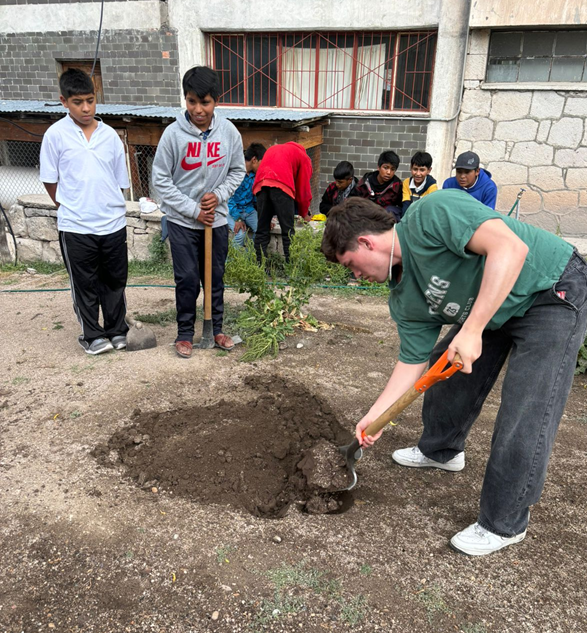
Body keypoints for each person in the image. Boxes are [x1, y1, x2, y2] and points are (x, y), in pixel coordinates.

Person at [321, 191, 587, 557]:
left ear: (366, 242)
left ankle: (504, 523)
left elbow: (510, 250)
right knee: (443, 363)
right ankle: (441, 450)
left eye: (350, 263)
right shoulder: (403, 297)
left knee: (527, 407)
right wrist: (377, 415)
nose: (354, 274)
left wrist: (473, 328)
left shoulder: (433, 213)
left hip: (549, 288)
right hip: (493, 303)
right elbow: (411, 364)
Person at [152, 66, 245, 358]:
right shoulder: (172, 135)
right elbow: (161, 180)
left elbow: (237, 170)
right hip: (182, 222)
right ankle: (184, 334)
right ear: (185, 100)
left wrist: (217, 196)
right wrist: (193, 210)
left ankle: (215, 329)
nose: (198, 109)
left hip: (216, 221)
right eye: (192, 101)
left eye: (204, 102)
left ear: (216, 100)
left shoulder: (228, 132)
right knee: (188, 278)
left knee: (215, 277)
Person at [40, 68, 130, 356]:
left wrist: (107, 207)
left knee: (115, 281)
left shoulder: (110, 137)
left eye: (90, 100)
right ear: (64, 101)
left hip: (112, 223)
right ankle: (93, 336)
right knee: (84, 284)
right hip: (76, 226)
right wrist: (69, 205)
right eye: (78, 102)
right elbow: (50, 180)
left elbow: (120, 182)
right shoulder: (55, 135)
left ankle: (117, 331)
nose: (86, 108)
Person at [252, 141, 313, 263]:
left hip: (261, 185)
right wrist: (304, 213)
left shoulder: (274, 148)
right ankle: (291, 269)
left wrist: (266, 215)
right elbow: (303, 190)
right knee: (288, 232)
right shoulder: (304, 157)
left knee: (262, 229)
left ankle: (259, 267)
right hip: (281, 185)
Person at [226, 142, 266, 248]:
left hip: (248, 209)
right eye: (262, 162)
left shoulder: (254, 176)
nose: (263, 167)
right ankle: (230, 262)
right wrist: (237, 219)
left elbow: (255, 198)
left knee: (261, 230)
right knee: (240, 234)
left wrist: (265, 217)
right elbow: (229, 198)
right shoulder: (235, 172)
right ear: (254, 160)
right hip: (230, 210)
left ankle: (248, 260)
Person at [353, 150, 402, 221]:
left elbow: (400, 208)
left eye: (392, 169)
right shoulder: (365, 182)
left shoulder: (397, 186)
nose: (388, 172)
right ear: (378, 167)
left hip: (384, 221)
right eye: (385, 168)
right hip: (364, 219)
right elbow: (354, 200)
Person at [401, 151, 438, 215]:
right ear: (411, 168)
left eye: (422, 170)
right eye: (415, 169)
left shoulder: (432, 186)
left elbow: (430, 208)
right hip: (409, 214)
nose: (418, 174)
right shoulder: (406, 182)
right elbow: (406, 204)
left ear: (429, 170)